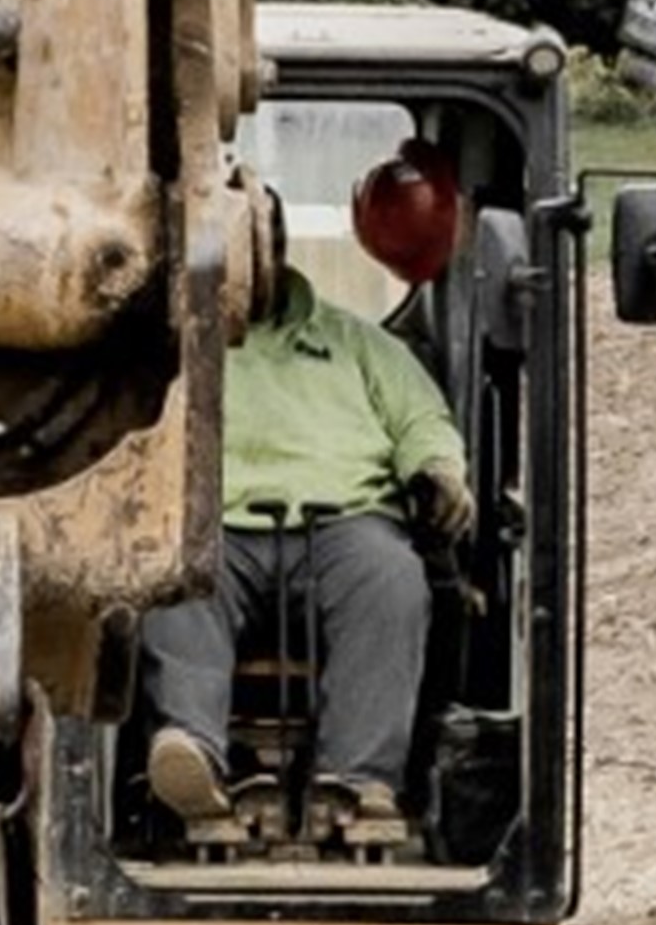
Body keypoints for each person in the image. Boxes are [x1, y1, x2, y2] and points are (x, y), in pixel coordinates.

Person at [144, 150, 475, 853]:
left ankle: (357, 780)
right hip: (213, 526)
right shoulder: (172, 346)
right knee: (172, 579)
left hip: (347, 524)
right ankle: (197, 760)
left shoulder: (358, 344)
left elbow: (422, 422)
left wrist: (440, 473)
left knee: (393, 581)